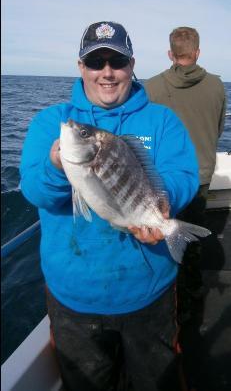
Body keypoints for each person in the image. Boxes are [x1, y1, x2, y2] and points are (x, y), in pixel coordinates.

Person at [20, 21, 200, 391]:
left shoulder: (162, 120)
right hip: (73, 299)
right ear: (81, 67)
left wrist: (160, 205)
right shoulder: (51, 122)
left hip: (149, 293)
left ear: (132, 65)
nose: (106, 72)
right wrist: (57, 166)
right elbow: (36, 191)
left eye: (116, 61)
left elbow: (184, 174)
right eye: (95, 62)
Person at [145, 27, 226, 323]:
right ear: (198, 52)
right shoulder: (218, 85)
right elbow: (218, 128)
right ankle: (191, 298)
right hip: (200, 174)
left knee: (158, 235)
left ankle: (164, 298)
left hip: (161, 178)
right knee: (190, 237)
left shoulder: (151, 87)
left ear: (170, 54)